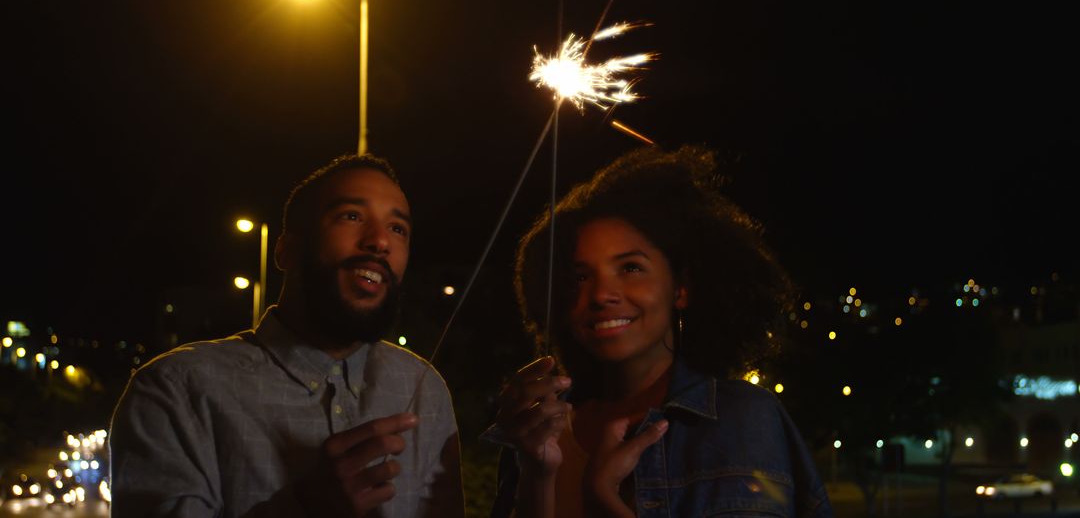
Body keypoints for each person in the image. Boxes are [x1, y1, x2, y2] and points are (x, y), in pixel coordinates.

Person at [110, 154, 464, 518]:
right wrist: (306, 508)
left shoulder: (424, 389)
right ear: (286, 250)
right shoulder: (177, 390)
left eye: (398, 229)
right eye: (352, 216)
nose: (379, 242)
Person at [487, 145, 833, 517]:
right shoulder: (536, 434)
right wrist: (537, 478)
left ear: (680, 289)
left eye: (631, 268)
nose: (601, 294)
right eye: (580, 277)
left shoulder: (741, 419)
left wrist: (604, 499)